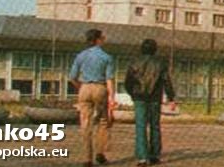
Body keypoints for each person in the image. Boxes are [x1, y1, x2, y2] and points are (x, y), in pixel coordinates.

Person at [124, 38, 176, 166]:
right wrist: (171, 98)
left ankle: (142, 157)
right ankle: (155, 155)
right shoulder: (160, 63)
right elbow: (166, 81)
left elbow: (128, 82)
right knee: (155, 126)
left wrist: (133, 93)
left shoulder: (134, 62)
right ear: (155, 49)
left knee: (140, 127)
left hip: (139, 98)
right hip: (155, 98)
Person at [68, 28, 115, 167]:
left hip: (85, 88)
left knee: (86, 123)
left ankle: (87, 158)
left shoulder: (80, 56)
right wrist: (112, 97)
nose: (104, 39)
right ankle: (100, 153)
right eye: (102, 37)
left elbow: (72, 77)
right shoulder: (107, 57)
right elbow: (109, 79)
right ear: (98, 40)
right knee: (103, 121)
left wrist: (80, 87)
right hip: (100, 88)